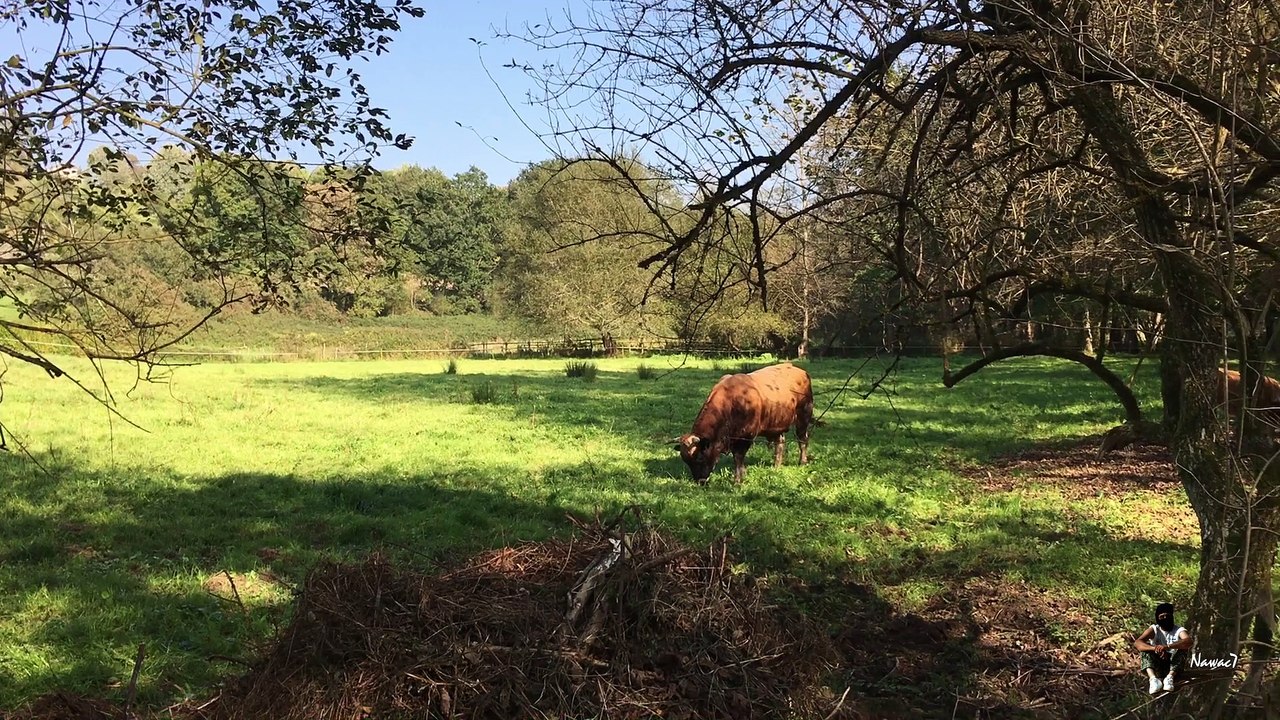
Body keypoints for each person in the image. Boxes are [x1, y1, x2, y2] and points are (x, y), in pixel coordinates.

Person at [1134, 602, 1193, 694]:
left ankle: (1169, 678)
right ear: (1157, 618)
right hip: (1158, 665)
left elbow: (1188, 641)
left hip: (1173, 666)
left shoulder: (1178, 630)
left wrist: (1167, 647)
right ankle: (1153, 680)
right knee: (1145, 651)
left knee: (1183, 649)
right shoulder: (1154, 629)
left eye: (1167, 616)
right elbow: (1138, 643)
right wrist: (1156, 649)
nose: (1165, 619)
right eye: (1162, 617)